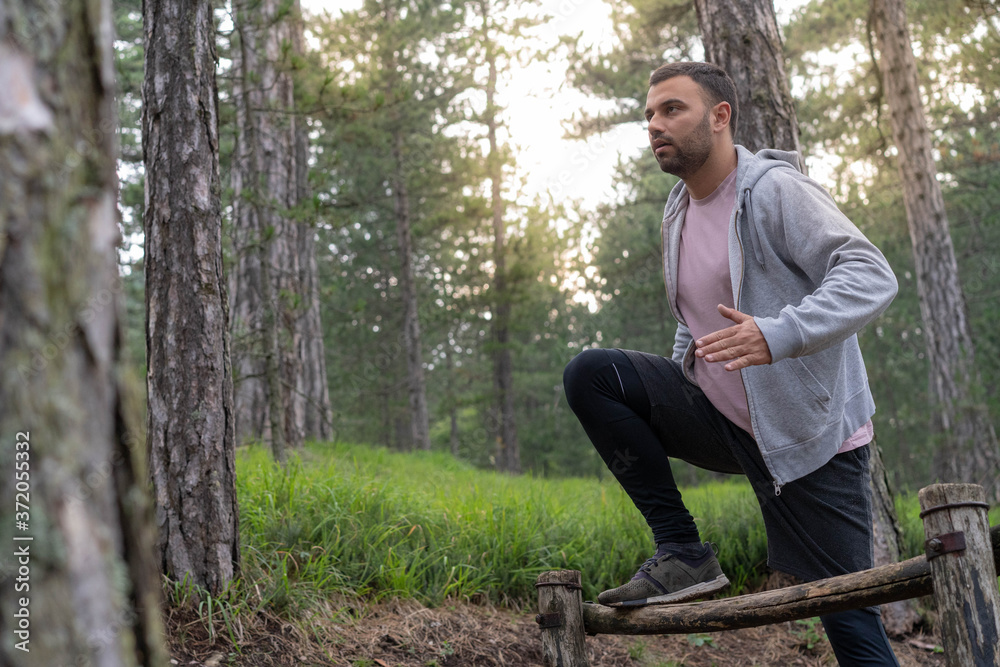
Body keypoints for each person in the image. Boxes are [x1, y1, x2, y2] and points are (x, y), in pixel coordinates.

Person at [563, 61, 901, 665]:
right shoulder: (678, 208)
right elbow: (698, 313)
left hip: (810, 439)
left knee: (851, 625)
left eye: (672, 109)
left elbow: (871, 274)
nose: (655, 125)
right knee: (593, 375)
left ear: (720, 116)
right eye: (649, 114)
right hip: (723, 419)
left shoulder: (774, 190)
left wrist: (779, 333)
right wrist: (681, 371)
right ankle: (682, 551)